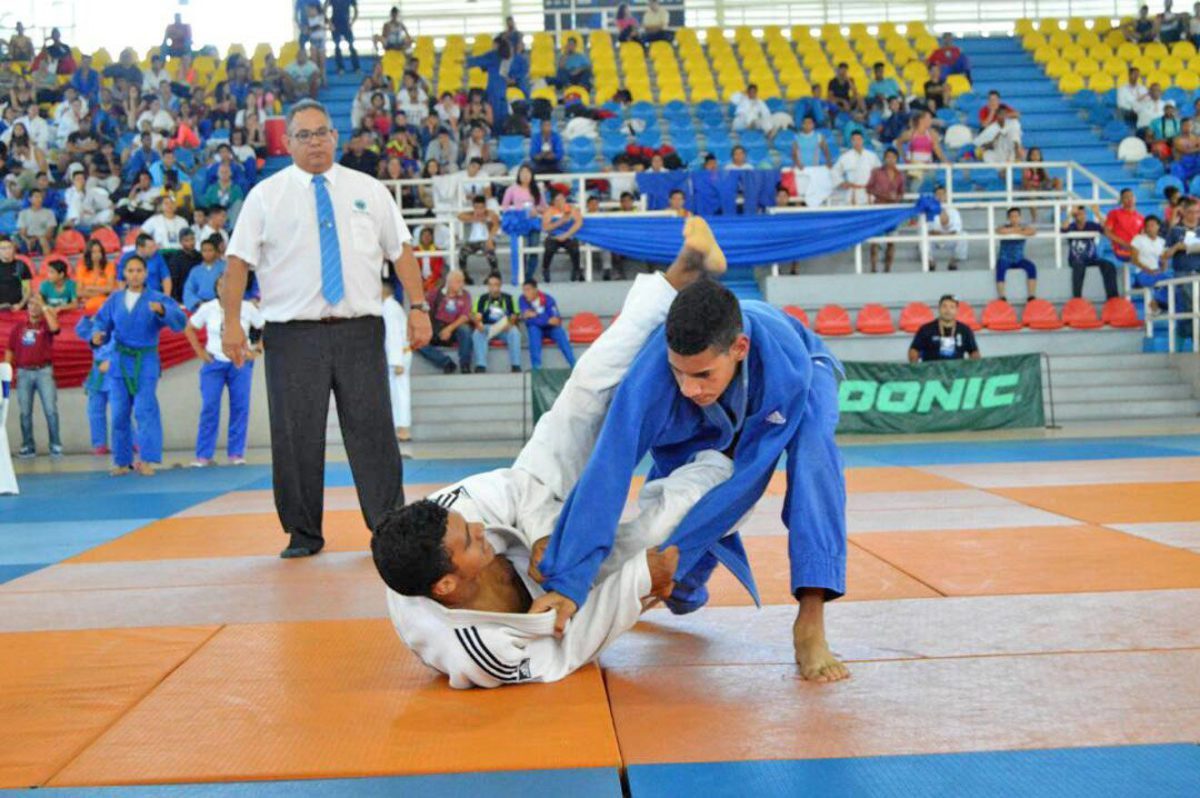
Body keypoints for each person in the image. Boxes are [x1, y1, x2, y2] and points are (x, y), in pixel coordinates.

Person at [374, 242, 728, 688]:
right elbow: (570, 648)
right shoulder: (479, 651)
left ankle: (677, 276)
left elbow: (519, 487)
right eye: (468, 539)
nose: (478, 528)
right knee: (661, 533)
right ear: (446, 586)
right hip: (565, 588)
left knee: (583, 393)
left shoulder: (447, 513)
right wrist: (639, 581)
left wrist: (542, 532)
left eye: (468, 525)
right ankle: (728, 461)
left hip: (536, 498)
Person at [531, 217, 849, 683]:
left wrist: (669, 555)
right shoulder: (658, 373)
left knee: (815, 450)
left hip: (798, 370)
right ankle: (686, 590)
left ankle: (811, 620)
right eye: (679, 372)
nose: (687, 387)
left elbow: (745, 483)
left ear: (738, 348)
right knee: (680, 526)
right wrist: (568, 582)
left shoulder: (783, 365)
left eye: (701, 375)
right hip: (718, 405)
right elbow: (609, 467)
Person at [222, 99, 430, 557]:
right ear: (287, 142)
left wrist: (419, 307)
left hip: (360, 328)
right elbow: (238, 264)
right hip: (292, 335)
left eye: (322, 133)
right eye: (304, 135)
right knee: (296, 434)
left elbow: (402, 253)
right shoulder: (265, 196)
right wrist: (232, 323)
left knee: (374, 430)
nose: (314, 142)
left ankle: (388, 528)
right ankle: (303, 533)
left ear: (335, 137)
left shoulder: (369, 190)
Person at [90, 255, 187, 476]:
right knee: (118, 413)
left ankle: (147, 460)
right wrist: (97, 335)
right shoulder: (115, 299)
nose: (134, 275)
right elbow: (100, 321)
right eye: (130, 270)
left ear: (145, 274)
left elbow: (180, 321)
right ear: (124, 273)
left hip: (145, 361)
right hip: (119, 361)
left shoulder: (157, 298)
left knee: (145, 410)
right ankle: (122, 461)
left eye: (138, 271)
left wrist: (163, 311)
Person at [184, 274, 264, 467]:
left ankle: (236, 453)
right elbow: (189, 328)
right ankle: (204, 455)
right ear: (216, 288)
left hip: (240, 362)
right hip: (214, 363)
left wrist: (258, 349)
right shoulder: (208, 308)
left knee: (240, 407)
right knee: (209, 407)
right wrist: (200, 352)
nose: (225, 288)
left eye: (229, 284)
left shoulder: (246, 307)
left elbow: (265, 326)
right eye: (221, 285)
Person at [6, 296, 62, 458]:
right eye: (31, 303)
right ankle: (28, 446)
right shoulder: (18, 327)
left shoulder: (46, 324)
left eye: (37, 304)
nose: (33, 306)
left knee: (51, 410)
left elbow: (55, 327)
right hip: (23, 372)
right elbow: (10, 349)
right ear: (27, 307)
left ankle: (55, 444)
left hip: (44, 371)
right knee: (24, 412)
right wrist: (7, 370)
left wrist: (45, 307)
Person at [417, 269, 474, 375]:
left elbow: (465, 316)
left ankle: (465, 364)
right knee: (417, 341)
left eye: (462, 281)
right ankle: (446, 363)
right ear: (450, 282)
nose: (462, 284)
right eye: (458, 281)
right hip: (436, 327)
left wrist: (449, 329)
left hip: (454, 329)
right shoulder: (436, 293)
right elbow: (423, 308)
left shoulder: (466, 295)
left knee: (465, 329)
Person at [1062, 205, 1120, 300]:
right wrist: (1069, 214)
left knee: (1109, 265)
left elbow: (1107, 230)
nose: (1081, 216)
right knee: (1079, 266)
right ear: (1075, 216)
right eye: (1078, 214)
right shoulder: (1071, 226)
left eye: (1083, 214)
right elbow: (1063, 229)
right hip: (1076, 260)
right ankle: (1077, 299)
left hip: (1092, 259)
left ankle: (1113, 298)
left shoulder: (1091, 225)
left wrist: (1097, 213)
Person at [519, 278, 575, 370]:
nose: (525, 293)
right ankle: (537, 368)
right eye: (524, 290)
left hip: (550, 328)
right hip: (537, 328)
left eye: (528, 290)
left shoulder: (548, 299)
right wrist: (547, 319)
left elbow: (556, 321)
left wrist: (536, 316)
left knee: (560, 332)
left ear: (535, 290)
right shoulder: (522, 299)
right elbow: (528, 320)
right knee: (533, 330)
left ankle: (574, 365)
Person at [472, 271, 521, 374]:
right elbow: (476, 315)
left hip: (504, 328)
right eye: (490, 285)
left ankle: (516, 365)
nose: (493, 287)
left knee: (515, 332)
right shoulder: (481, 298)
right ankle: (481, 365)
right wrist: (478, 323)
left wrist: (510, 323)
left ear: (500, 285)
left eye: (496, 285)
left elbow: (515, 315)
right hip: (487, 328)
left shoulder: (509, 298)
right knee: (477, 333)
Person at [908, 295, 980, 363]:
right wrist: (915, 366)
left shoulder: (965, 330)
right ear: (939, 308)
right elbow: (914, 350)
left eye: (952, 307)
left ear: (957, 310)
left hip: (957, 372)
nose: (948, 310)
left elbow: (974, 351)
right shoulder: (926, 329)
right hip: (932, 372)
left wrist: (975, 365)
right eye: (944, 306)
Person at [382, 276, 412, 442]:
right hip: (399, 353)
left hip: (400, 354)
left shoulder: (390, 308)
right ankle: (400, 427)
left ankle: (403, 429)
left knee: (400, 392)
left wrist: (397, 361)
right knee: (397, 392)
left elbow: (394, 336)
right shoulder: (390, 306)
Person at [866, 148, 904, 273]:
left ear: (896, 159)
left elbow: (902, 193)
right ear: (884, 158)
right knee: (875, 241)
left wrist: (897, 198)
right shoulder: (876, 172)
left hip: (892, 212)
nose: (890, 159)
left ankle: (888, 269)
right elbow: (869, 188)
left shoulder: (900, 175)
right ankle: (873, 268)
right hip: (878, 209)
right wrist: (884, 195)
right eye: (888, 157)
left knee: (891, 241)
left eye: (893, 157)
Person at [467, 37, 511, 130]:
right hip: (502, 89)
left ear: (497, 45)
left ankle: (494, 133)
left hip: (493, 88)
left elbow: (479, 60)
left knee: (493, 113)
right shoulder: (507, 57)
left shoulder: (493, 55)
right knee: (502, 116)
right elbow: (505, 76)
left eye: (493, 44)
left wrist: (466, 61)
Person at [1130, 215, 1171, 314]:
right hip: (1142, 273)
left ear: (1158, 226)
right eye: (1147, 226)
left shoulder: (1162, 242)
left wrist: (1162, 268)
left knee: (1173, 281)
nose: (1150, 228)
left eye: (1152, 225)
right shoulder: (1138, 239)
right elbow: (1134, 260)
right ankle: (1160, 304)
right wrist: (1148, 270)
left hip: (1156, 273)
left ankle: (1158, 303)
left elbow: (1164, 261)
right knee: (1166, 281)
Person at [995, 207, 1038, 302]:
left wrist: (1016, 231)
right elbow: (999, 231)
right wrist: (1017, 231)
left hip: (1019, 259)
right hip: (1005, 258)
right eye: (1012, 216)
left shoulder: (1024, 227)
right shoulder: (1005, 227)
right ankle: (1002, 297)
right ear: (1008, 218)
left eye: (1016, 216)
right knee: (1000, 268)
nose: (1014, 218)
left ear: (1020, 217)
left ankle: (1031, 296)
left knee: (1031, 267)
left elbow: (1032, 231)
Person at [540, 190, 583, 282]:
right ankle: (545, 270)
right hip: (554, 236)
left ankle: (576, 270)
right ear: (553, 202)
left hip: (568, 235)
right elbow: (545, 227)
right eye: (557, 200)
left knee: (574, 248)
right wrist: (560, 222)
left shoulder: (571, 208)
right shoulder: (549, 211)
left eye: (561, 199)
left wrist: (566, 235)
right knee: (549, 248)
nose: (559, 202)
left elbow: (578, 223)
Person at [456, 196, 499, 283]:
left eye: (481, 207)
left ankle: (494, 275)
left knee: (490, 251)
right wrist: (474, 217)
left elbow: (496, 224)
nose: (479, 210)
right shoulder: (471, 214)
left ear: (485, 206)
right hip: (473, 242)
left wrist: (490, 239)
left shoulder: (490, 214)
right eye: (476, 207)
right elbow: (459, 216)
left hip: (486, 240)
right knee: (462, 252)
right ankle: (465, 276)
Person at [832, 130, 880, 206]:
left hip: (868, 191)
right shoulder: (845, 157)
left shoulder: (872, 156)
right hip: (853, 192)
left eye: (859, 139)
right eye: (854, 140)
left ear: (863, 140)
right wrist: (842, 182)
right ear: (851, 142)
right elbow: (835, 171)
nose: (857, 142)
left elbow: (879, 173)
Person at [927, 186, 967, 271]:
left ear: (946, 196)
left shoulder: (954, 211)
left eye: (943, 194)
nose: (940, 196)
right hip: (934, 239)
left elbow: (956, 230)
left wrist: (945, 234)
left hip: (949, 239)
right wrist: (938, 234)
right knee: (922, 237)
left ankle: (953, 262)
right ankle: (930, 262)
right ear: (934, 196)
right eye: (938, 194)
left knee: (964, 235)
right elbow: (928, 231)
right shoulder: (928, 211)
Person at [182, 235, 227, 310]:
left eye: (210, 250)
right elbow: (188, 290)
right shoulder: (195, 270)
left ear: (216, 251)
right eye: (204, 250)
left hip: (221, 305)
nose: (207, 253)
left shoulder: (225, 267)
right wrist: (198, 303)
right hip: (201, 305)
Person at [1104, 188, 1145, 262]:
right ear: (1122, 200)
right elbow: (1107, 232)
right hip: (1121, 248)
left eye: (1131, 196)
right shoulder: (1114, 213)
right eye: (1126, 197)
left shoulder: (1141, 217)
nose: (1130, 199)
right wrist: (1125, 244)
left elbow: (1143, 236)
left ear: (1135, 198)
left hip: (1136, 249)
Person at [78, 239, 118, 314]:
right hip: (89, 302)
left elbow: (110, 288)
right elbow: (79, 292)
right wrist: (98, 293)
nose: (97, 254)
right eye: (94, 252)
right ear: (88, 254)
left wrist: (90, 288)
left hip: (105, 300)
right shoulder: (82, 268)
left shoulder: (109, 266)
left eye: (99, 251)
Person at [15, 188, 56, 255]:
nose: (39, 199)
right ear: (30, 199)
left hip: (44, 239)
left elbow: (49, 233)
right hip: (29, 239)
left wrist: (37, 238)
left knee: (43, 241)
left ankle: (47, 262)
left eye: (41, 197)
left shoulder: (49, 213)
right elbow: (22, 232)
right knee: (15, 243)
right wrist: (27, 240)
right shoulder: (23, 213)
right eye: (36, 197)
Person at [0, 237, 32, 313]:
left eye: (9, 247)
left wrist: (20, 304)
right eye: (3, 248)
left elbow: (27, 289)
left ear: (13, 249)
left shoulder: (21, 265)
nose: (7, 251)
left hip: (18, 308)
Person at [327, 0, 361, 74]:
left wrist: (352, 22)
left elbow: (356, 10)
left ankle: (357, 68)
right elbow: (324, 9)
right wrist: (329, 23)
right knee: (337, 46)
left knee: (351, 45)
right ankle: (340, 68)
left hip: (346, 24)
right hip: (335, 25)